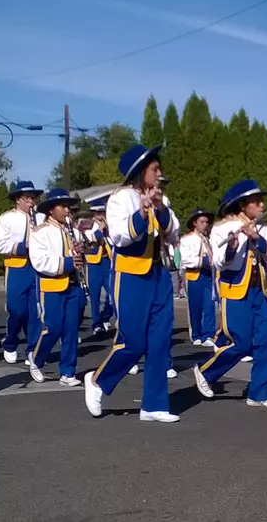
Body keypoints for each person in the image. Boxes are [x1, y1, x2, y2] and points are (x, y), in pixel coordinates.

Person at [83, 144, 181, 423]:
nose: (160, 173)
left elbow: (173, 231)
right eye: (155, 169)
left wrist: (159, 208)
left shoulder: (162, 199)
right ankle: (98, 381)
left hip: (159, 274)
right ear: (140, 172)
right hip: (130, 275)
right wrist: (141, 212)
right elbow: (119, 236)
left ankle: (154, 405)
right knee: (134, 341)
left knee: (160, 341)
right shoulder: (120, 198)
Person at [192, 179, 267, 408]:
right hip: (234, 290)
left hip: (257, 291)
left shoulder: (263, 228)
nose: (262, 205)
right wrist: (233, 246)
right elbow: (220, 263)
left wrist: (257, 239)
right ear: (243, 205)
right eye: (257, 202)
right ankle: (206, 371)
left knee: (264, 341)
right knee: (241, 343)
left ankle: (259, 392)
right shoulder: (223, 228)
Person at [28, 188, 83, 387]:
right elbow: (39, 262)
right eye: (63, 206)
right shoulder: (40, 232)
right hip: (51, 285)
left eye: (68, 206)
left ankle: (68, 370)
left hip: (72, 284)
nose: (67, 210)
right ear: (51, 210)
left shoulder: (72, 230)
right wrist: (69, 262)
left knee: (71, 330)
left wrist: (78, 254)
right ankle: (36, 358)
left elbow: (76, 256)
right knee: (52, 327)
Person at [0, 180, 44, 365]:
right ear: (17, 200)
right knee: (17, 311)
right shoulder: (6, 218)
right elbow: (0, 245)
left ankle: (32, 349)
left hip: (37, 268)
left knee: (35, 311)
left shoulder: (41, 218)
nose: (31, 201)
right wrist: (24, 247)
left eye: (33, 198)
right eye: (27, 198)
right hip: (16, 267)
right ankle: (10, 342)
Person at [179, 208, 216, 348]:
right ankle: (196, 334)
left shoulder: (209, 240)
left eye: (207, 222)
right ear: (195, 223)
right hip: (194, 275)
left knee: (209, 306)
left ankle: (208, 334)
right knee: (195, 306)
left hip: (208, 276)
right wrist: (204, 261)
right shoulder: (187, 239)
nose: (205, 224)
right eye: (202, 222)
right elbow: (186, 260)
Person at [84, 199, 114, 335]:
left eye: (102, 212)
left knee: (112, 293)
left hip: (106, 262)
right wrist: (100, 230)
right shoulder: (87, 226)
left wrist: (107, 229)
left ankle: (106, 316)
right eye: (97, 212)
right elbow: (89, 239)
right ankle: (96, 323)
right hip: (93, 264)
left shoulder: (109, 226)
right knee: (94, 296)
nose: (100, 215)